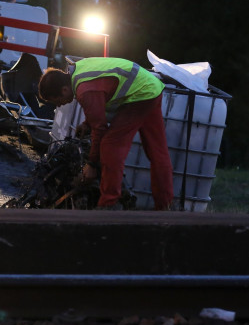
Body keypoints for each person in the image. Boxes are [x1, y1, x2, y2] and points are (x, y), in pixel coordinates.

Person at [38, 57, 174, 210]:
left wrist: (91, 164)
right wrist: (88, 123)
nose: (59, 104)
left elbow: (100, 128)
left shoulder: (84, 90)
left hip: (140, 95)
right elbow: (101, 94)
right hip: (151, 88)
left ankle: (108, 205)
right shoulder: (78, 70)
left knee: (110, 146)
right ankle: (165, 206)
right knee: (158, 152)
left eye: (57, 100)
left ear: (64, 89)